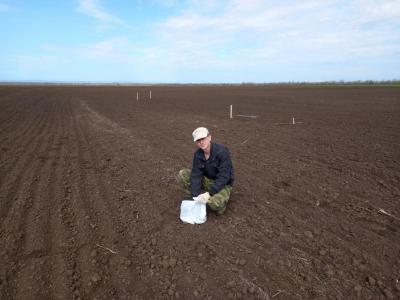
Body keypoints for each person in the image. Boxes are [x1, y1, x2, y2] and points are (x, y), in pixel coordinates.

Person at [178, 127, 234, 215]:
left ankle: (220, 203)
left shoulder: (222, 152)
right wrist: (194, 196)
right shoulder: (198, 155)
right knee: (183, 174)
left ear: (209, 137)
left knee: (214, 203)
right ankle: (197, 197)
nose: (201, 142)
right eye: (198, 140)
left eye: (203, 138)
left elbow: (224, 176)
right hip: (209, 181)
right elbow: (196, 175)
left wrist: (209, 193)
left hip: (223, 184)